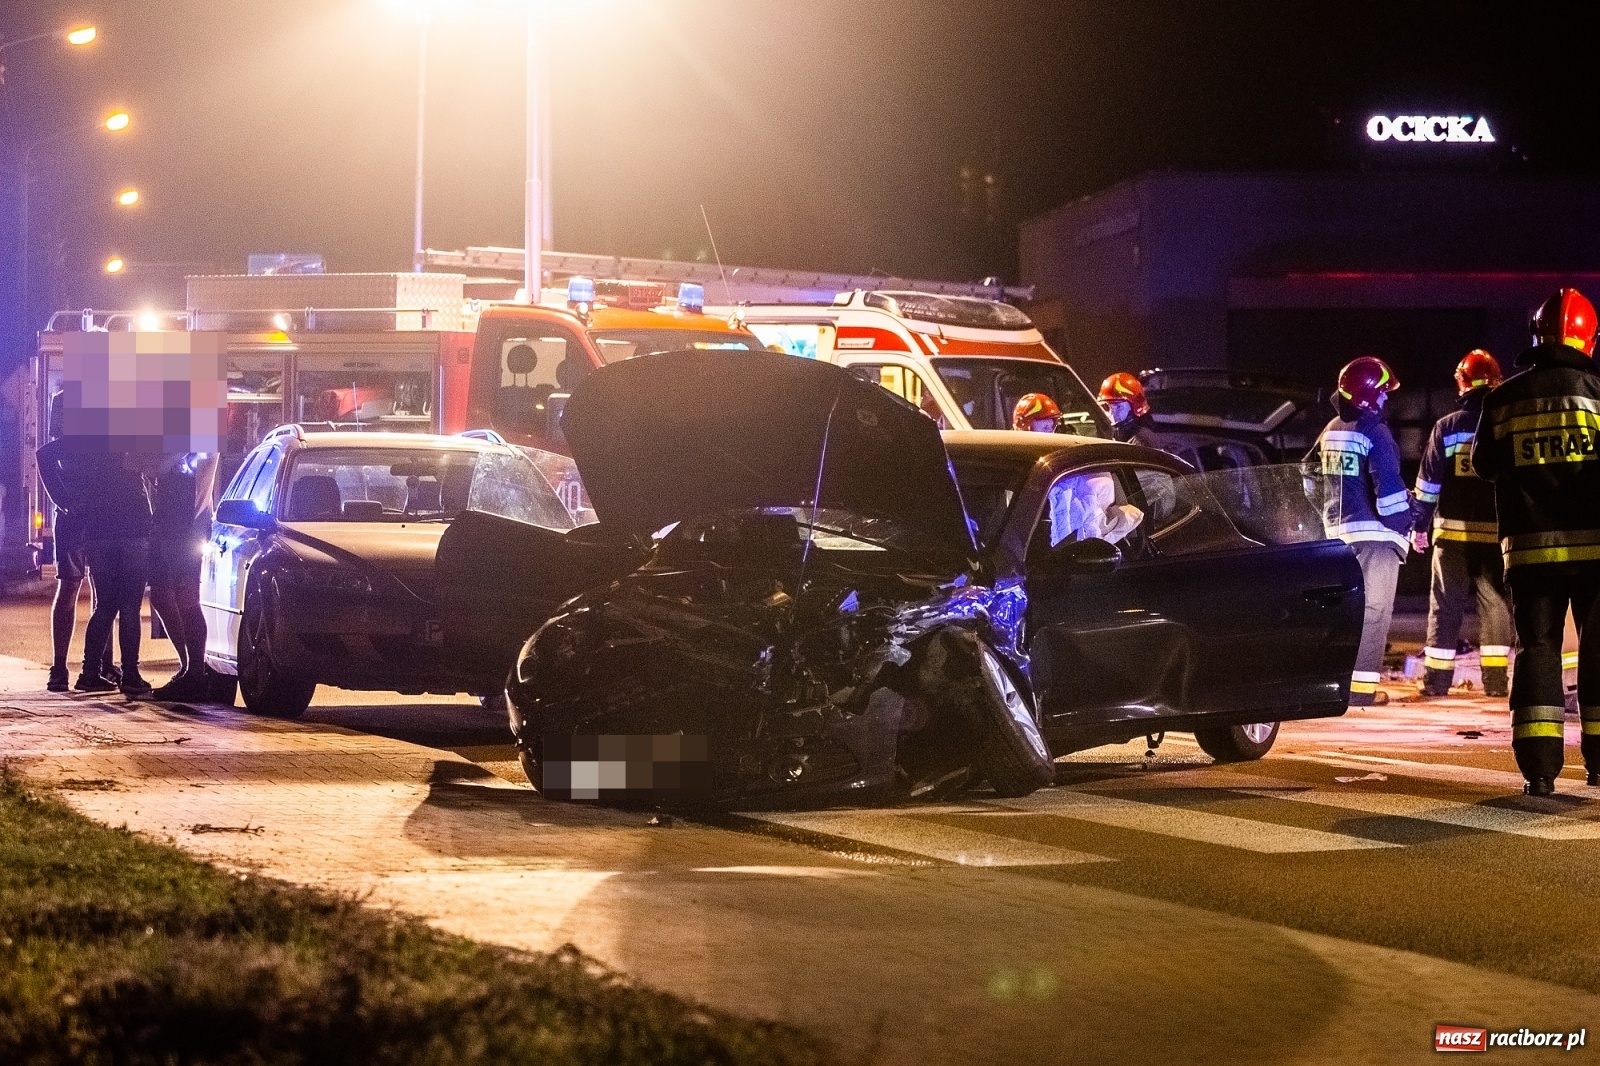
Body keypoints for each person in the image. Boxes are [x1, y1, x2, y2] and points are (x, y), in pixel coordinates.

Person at [1471, 288, 1600, 796]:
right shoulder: (1598, 393)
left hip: (1529, 551)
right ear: (1590, 340)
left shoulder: (1502, 399)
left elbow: (1484, 466)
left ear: (1538, 336)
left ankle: (1540, 771)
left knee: (1538, 649)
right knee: (1598, 650)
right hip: (1596, 550)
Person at [1305, 356, 1410, 707]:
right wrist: (1408, 523)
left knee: (1343, 613)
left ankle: (1332, 685)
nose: (1386, 398)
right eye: (1383, 392)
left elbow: (1308, 477)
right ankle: (1361, 690)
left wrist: (1328, 511)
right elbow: (1390, 496)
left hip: (1337, 537)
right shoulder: (1375, 432)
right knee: (1373, 613)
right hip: (1375, 540)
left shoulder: (1331, 430)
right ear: (1368, 397)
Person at [1411, 350, 1513, 698]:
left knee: (1445, 608)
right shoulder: (1506, 424)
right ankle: (1496, 684)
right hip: (1496, 535)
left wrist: (1419, 526)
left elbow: (1428, 486)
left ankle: (1437, 683)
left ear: (1463, 383)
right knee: (1496, 606)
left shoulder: (1447, 426)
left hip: (1451, 536)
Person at [35, 392, 117, 692]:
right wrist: (64, 499)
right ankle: (76, 667)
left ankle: (92, 666)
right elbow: (46, 453)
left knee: (91, 590)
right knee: (88, 589)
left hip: (84, 515)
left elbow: (47, 453)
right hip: (83, 516)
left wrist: (63, 500)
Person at [77, 452, 155, 698]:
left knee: (105, 604)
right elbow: (150, 466)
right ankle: (130, 674)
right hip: (132, 528)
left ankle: (89, 672)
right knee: (130, 606)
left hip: (98, 530)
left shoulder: (91, 443)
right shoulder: (133, 439)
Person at [147, 452, 219, 701]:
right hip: (166, 521)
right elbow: (143, 462)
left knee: (187, 597)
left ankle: (196, 674)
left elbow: (156, 465)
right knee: (160, 595)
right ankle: (189, 666)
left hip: (187, 523)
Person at [1098, 372, 1165, 449]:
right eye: (1109, 407)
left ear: (1135, 406)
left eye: (1118, 407)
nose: (1112, 412)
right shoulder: (1122, 434)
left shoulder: (1140, 443)